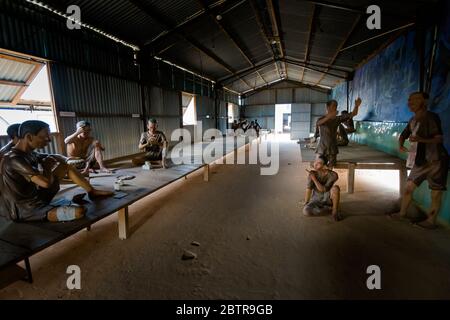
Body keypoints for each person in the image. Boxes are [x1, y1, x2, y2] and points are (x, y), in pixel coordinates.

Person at [0, 120, 113, 222]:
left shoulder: (30, 153)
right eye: (45, 137)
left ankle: (91, 191)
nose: (49, 140)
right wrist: (47, 166)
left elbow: (51, 156)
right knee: (80, 211)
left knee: (65, 166)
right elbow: (45, 183)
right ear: (29, 137)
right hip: (26, 209)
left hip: (38, 196)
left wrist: (66, 159)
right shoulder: (13, 159)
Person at [391, 92, 449, 229]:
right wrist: (400, 144)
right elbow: (404, 135)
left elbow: (439, 139)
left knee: (436, 193)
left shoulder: (431, 117)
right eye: (409, 100)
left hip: (436, 160)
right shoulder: (413, 120)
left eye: (414, 100)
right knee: (408, 188)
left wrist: (420, 139)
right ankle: (402, 213)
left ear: (424, 102)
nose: (410, 103)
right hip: (421, 161)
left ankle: (431, 221)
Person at [315, 98, 362, 168]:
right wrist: (329, 116)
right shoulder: (321, 119)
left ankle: (328, 177)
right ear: (327, 107)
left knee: (330, 167)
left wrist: (356, 106)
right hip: (322, 148)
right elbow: (318, 123)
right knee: (318, 166)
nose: (335, 107)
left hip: (333, 149)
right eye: (333, 106)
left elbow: (353, 114)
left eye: (336, 106)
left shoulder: (338, 119)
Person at [302, 155, 342, 221]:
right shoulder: (312, 174)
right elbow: (308, 189)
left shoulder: (333, 175)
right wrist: (306, 202)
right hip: (316, 199)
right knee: (306, 212)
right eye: (315, 162)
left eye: (319, 163)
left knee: (336, 188)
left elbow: (323, 189)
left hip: (328, 198)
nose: (315, 164)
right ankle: (330, 209)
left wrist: (314, 178)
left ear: (325, 166)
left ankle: (334, 211)